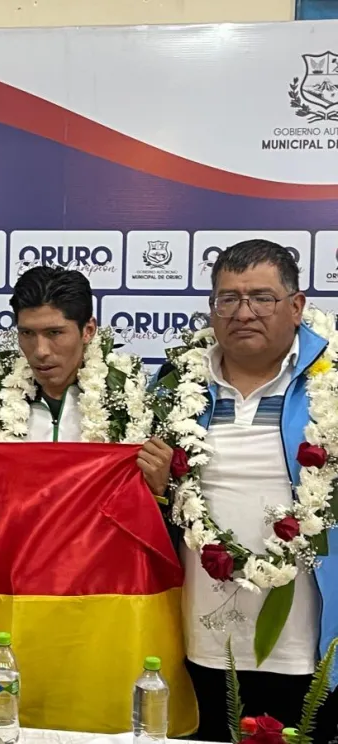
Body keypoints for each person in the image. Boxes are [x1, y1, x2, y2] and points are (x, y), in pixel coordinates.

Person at [155, 240, 336, 742]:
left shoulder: (333, 387)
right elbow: (154, 499)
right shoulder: (174, 387)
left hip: (305, 641)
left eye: (262, 297)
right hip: (202, 641)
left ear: (296, 306)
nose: (244, 312)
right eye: (228, 299)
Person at [0, 266, 171, 498]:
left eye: (54, 333)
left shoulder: (132, 403)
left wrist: (158, 489)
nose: (40, 351)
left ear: (88, 331)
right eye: (27, 334)